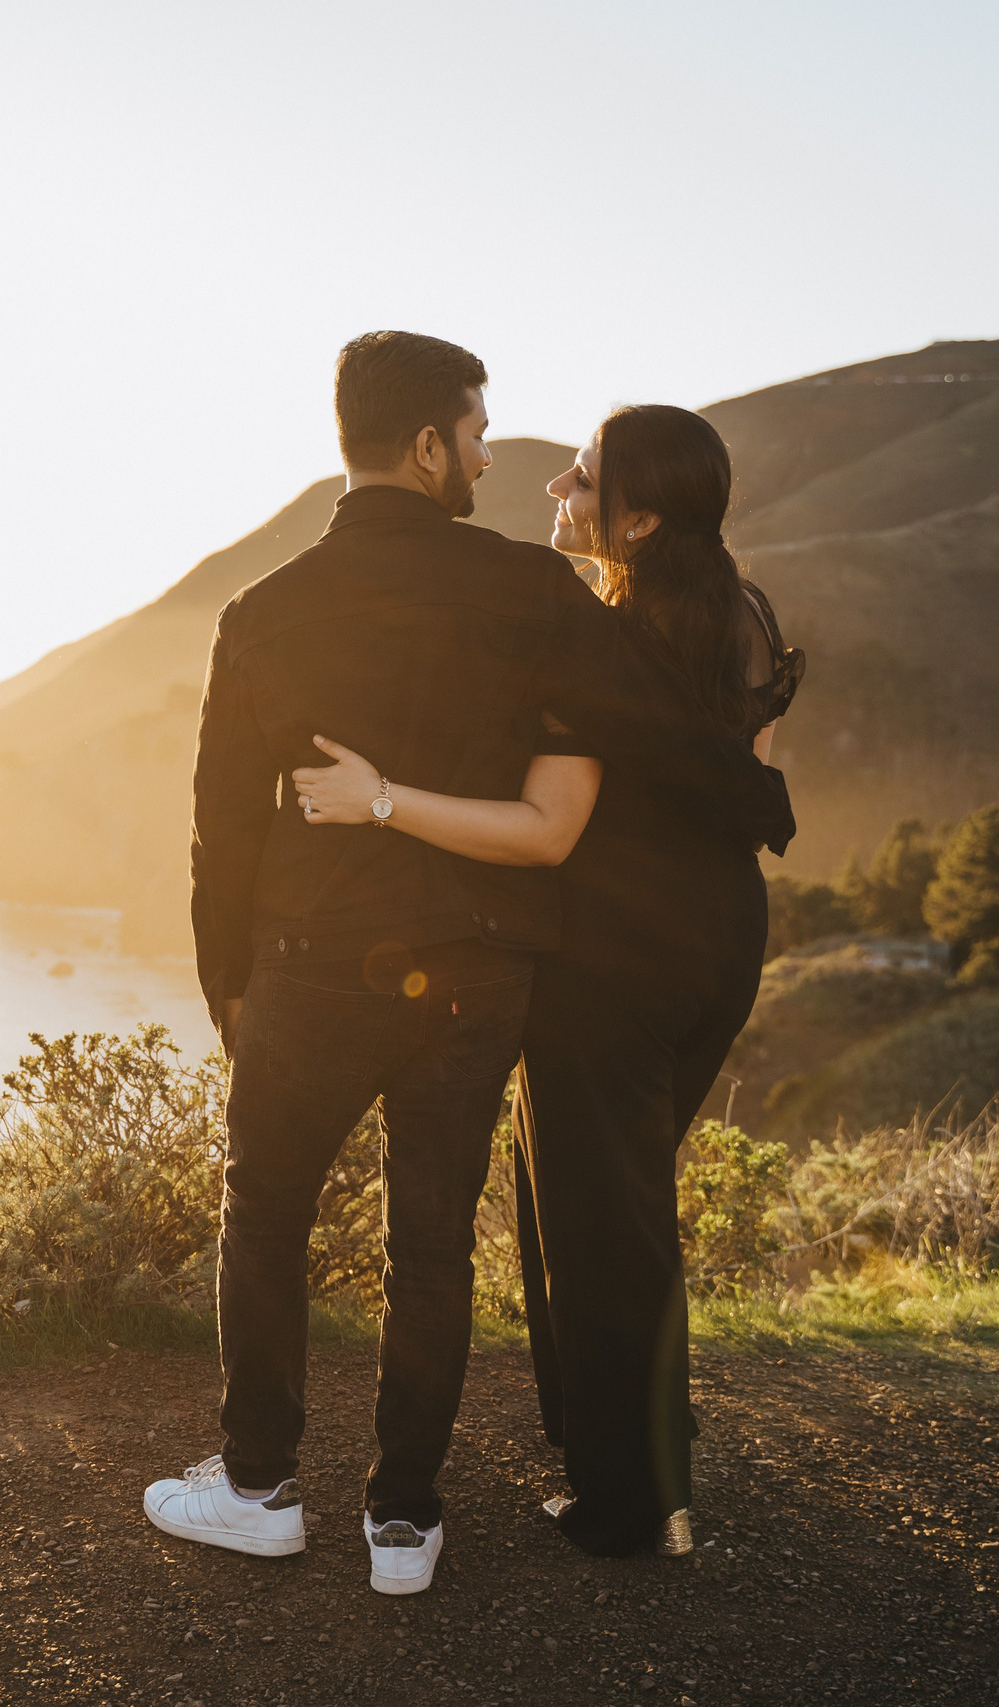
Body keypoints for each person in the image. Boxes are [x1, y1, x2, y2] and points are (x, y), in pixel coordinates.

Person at [146, 337, 791, 1596]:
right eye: (480, 435)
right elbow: (646, 713)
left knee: (265, 1215)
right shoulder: (528, 588)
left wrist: (227, 979)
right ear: (429, 444)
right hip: (484, 965)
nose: (496, 461)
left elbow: (222, 824)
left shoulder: (260, 610)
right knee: (432, 1240)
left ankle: (260, 1490)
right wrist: (752, 791)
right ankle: (404, 1522)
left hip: (310, 963)